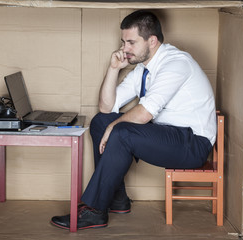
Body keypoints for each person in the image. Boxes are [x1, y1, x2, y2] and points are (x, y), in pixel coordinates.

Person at [51, 9, 216, 230]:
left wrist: (114, 126)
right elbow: (106, 107)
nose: (124, 49)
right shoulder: (143, 69)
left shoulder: (176, 63)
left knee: (120, 131)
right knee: (101, 121)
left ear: (152, 41)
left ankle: (95, 211)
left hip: (192, 144)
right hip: (167, 134)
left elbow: (145, 113)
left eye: (131, 42)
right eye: (123, 42)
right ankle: (117, 200)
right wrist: (113, 70)